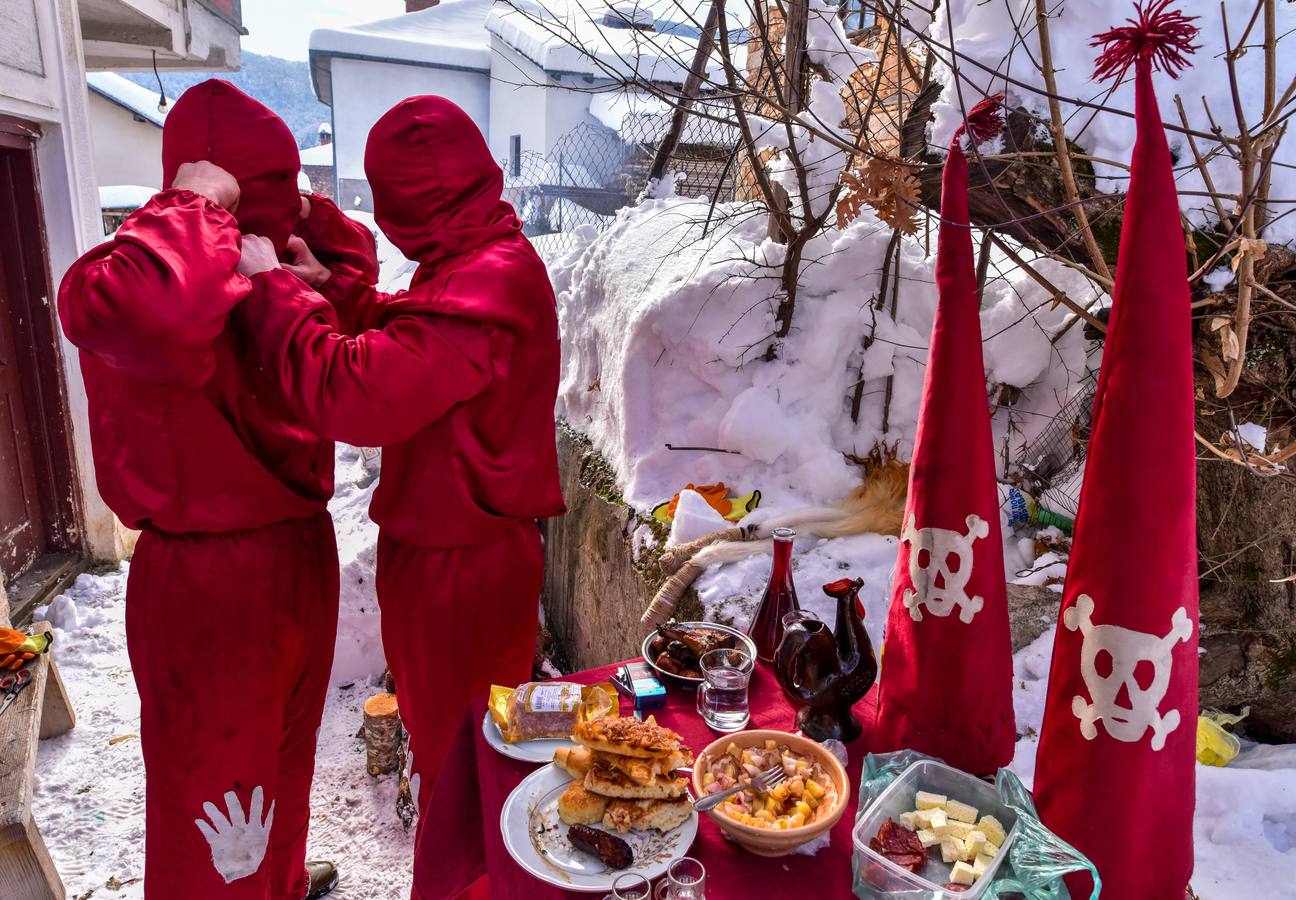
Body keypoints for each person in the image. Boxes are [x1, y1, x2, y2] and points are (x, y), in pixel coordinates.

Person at [235, 95, 566, 889]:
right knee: (449, 741)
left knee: (462, 769)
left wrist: (278, 293)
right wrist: (339, 294)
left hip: (464, 567)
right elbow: (419, 329)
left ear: (415, 202)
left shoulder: (487, 282)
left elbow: (360, 392)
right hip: (452, 549)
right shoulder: (479, 257)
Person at [57, 80, 372, 899]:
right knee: (216, 807)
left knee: (281, 766)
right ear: (204, 188)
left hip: (294, 553)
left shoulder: (261, 271)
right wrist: (193, 208)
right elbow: (144, 311)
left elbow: (352, 286)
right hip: (210, 581)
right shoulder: (147, 270)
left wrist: (304, 239)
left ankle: (280, 881)